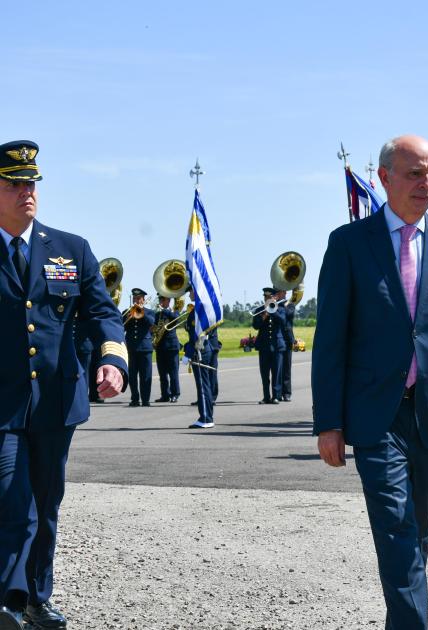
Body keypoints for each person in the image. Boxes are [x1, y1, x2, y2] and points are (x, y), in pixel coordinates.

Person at [313, 135, 428, 629]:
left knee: (417, 521)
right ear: (385, 178)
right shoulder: (349, 244)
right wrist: (328, 423)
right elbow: (330, 341)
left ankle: (404, 611)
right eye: (415, 173)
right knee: (395, 523)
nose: (427, 184)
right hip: (375, 413)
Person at [0, 140, 127, 630]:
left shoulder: (71, 249)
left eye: (30, 184)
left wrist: (111, 360)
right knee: (12, 498)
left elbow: (101, 313)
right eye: (13, 184)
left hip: (57, 400)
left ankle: (36, 598)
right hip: (3, 405)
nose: (25, 193)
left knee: (46, 501)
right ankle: (9, 601)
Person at [184, 288, 218, 429]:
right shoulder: (206, 307)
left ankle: (205, 418)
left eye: (191, 291)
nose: (189, 294)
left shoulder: (199, 310)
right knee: (206, 384)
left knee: (203, 386)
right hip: (206, 348)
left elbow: (197, 335)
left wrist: (188, 353)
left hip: (200, 349)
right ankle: (207, 415)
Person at [252, 287, 287, 404]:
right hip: (264, 346)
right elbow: (256, 326)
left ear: (274, 297)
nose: (267, 299)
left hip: (277, 345)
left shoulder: (280, 308)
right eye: (265, 297)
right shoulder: (259, 310)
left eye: (269, 297)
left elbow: (283, 321)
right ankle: (266, 397)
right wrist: (265, 313)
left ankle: (276, 396)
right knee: (265, 373)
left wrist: (273, 310)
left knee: (276, 372)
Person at [123, 287, 155, 407]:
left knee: (145, 375)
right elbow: (122, 326)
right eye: (135, 298)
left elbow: (151, 323)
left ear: (143, 299)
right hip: (131, 348)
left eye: (138, 298)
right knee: (132, 375)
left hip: (145, 348)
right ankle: (135, 398)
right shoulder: (127, 312)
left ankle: (145, 399)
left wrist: (142, 312)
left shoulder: (149, 312)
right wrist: (128, 317)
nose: (136, 300)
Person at [153, 295, 181, 403]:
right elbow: (154, 328)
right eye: (160, 299)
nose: (160, 301)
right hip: (160, 347)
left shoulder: (174, 312)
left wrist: (166, 311)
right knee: (162, 374)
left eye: (163, 300)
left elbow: (176, 320)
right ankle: (165, 394)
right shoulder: (157, 314)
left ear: (169, 300)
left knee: (173, 373)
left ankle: (175, 394)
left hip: (171, 347)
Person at [277, 288, 296, 402]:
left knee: (286, 367)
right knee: (277, 367)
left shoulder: (290, 305)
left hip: (287, 339)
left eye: (283, 292)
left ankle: (287, 393)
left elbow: (289, 314)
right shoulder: (274, 305)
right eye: (279, 292)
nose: (282, 294)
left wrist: (281, 305)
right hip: (277, 338)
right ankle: (277, 393)